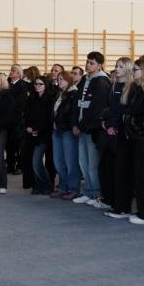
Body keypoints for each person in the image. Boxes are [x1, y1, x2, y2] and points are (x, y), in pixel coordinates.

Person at [108, 58, 144, 224]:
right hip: (136, 137)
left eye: (136, 69)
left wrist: (131, 124)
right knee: (136, 174)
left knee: (143, 176)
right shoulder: (138, 89)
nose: (133, 72)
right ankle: (138, 210)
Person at [72, 52, 111, 208]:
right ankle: (88, 191)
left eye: (92, 63)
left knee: (92, 164)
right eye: (87, 62)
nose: (88, 65)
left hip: (92, 129)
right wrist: (75, 123)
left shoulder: (102, 82)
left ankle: (97, 193)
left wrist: (81, 126)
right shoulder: (85, 79)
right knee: (83, 162)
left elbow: (96, 108)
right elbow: (77, 102)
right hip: (82, 127)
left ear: (100, 65)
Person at [101, 57, 134, 212]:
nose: (117, 69)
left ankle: (123, 206)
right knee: (108, 168)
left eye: (121, 66)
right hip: (110, 133)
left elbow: (124, 111)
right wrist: (106, 123)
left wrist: (113, 125)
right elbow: (109, 109)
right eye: (116, 66)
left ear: (128, 69)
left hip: (123, 135)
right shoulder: (113, 86)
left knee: (122, 171)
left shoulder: (131, 87)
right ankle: (112, 201)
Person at [50, 71, 80, 199]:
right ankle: (63, 186)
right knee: (58, 162)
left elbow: (73, 113)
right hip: (56, 131)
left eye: (62, 79)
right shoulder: (59, 94)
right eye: (58, 79)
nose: (59, 81)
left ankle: (73, 188)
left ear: (69, 80)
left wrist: (74, 126)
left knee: (70, 162)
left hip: (67, 131)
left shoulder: (74, 94)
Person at [25, 75, 54, 194]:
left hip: (44, 134)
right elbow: (27, 115)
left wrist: (37, 129)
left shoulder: (50, 99)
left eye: (40, 84)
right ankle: (38, 185)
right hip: (31, 133)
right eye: (36, 84)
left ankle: (47, 185)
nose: (37, 86)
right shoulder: (31, 98)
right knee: (32, 161)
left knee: (36, 161)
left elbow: (48, 119)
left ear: (45, 85)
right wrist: (28, 127)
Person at [6, 64, 28, 178]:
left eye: (13, 71)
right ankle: (10, 165)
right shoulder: (8, 84)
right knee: (9, 144)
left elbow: (21, 103)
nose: (11, 72)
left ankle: (20, 166)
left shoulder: (23, 85)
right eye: (11, 70)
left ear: (19, 74)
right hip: (8, 119)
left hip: (18, 119)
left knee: (19, 144)